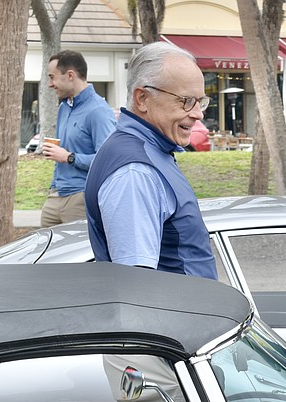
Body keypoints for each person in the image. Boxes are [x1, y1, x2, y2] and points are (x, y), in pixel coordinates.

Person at [85, 42, 217, 280]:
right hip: (177, 314)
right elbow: (136, 284)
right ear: (143, 98)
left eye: (201, 101)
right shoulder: (135, 172)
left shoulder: (148, 153)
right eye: (187, 101)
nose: (198, 114)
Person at [40, 50, 116, 228]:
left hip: (80, 198)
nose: (50, 84)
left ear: (70, 75)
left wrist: (69, 157)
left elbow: (108, 160)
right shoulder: (63, 108)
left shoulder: (99, 111)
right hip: (55, 196)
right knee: (44, 254)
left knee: (76, 256)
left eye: (52, 77)